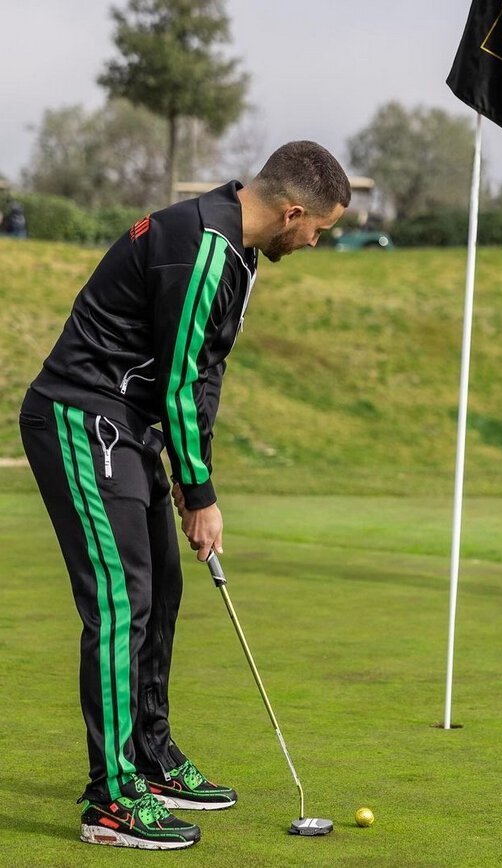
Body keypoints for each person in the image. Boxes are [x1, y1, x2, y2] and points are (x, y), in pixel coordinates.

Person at [19, 141, 350, 850]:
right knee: (120, 603)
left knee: (160, 590)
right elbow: (177, 378)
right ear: (293, 212)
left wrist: (186, 469)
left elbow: (203, 373)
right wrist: (200, 493)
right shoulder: (204, 246)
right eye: (319, 229)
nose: (315, 242)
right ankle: (110, 800)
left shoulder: (236, 252)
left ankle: (150, 757)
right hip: (82, 415)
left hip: (129, 428)